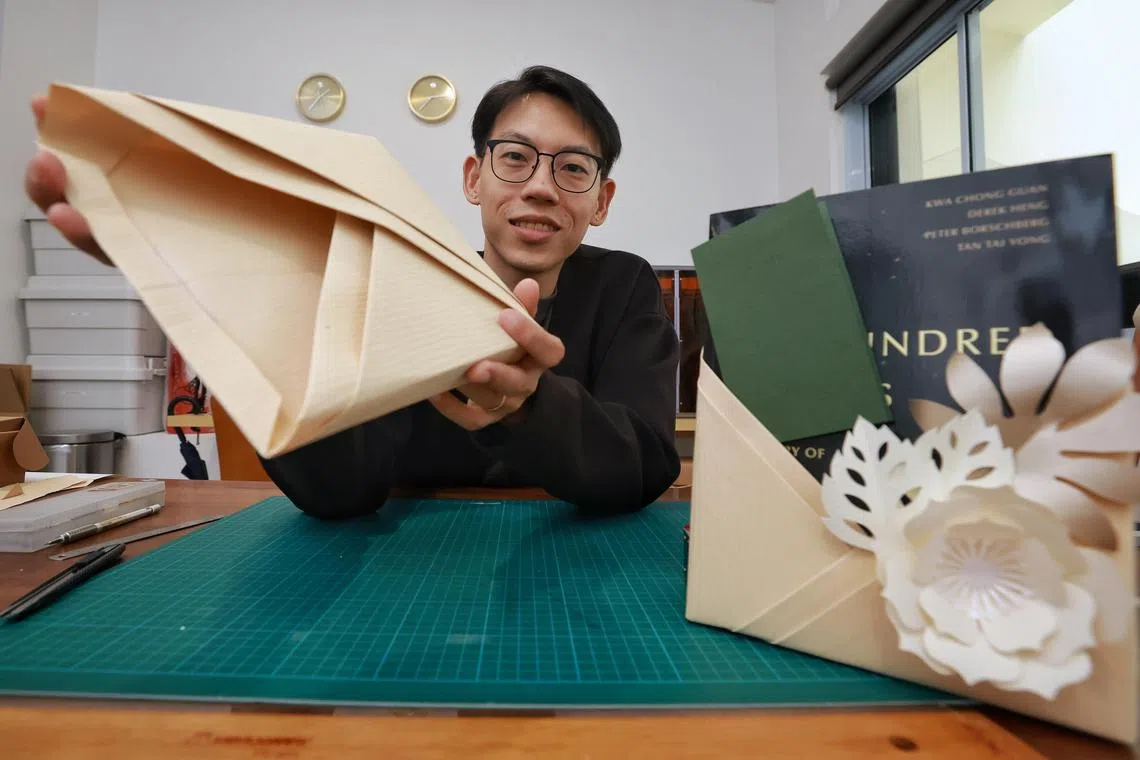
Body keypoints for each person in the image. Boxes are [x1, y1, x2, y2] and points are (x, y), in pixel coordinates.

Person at [23, 65, 682, 518]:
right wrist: (241, 303)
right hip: (398, 578)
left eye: (573, 168)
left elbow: (646, 466)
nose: (540, 185)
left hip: (578, 583)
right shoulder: (396, 286)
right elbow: (339, 493)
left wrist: (530, 403)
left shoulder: (623, 284)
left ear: (602, 200)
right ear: (474, 177)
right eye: (515, 157)